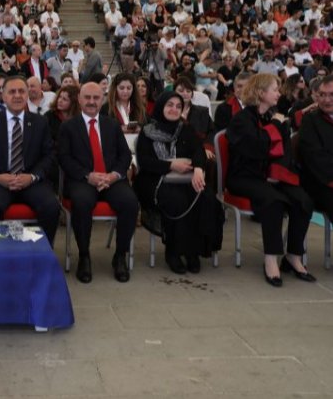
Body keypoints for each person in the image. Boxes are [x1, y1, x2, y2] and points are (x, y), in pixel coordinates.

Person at [226, 73, 315, 287]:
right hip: (243, 176)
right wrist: (275, 126)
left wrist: (278, 174)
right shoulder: (242, 119)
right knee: (273, 201)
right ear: (260, 93)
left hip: (269, 175)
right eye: (275, 89)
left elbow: (284, 152)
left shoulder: (273, 117)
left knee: (303, 200)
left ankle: (293, 256)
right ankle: (271, 258)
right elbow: (254, 148)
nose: (278, 93)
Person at [58, 82, 139, 283]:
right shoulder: (68, 126)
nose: (92, 102)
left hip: (111, 179)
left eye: (96, 98)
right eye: (88, 97)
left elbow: (124, 156)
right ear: (79, 99)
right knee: (82, 202)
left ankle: (120, 255)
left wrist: (113, 175)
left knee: (130, 203)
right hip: (83, 180)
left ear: (102, 99)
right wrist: (89, 175)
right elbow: (64, 158)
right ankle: (84, 256)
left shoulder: (111, 125)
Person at [135, 92, 223, 274]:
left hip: (185, 178)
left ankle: (194, 251)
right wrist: (170, 165)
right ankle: (173, 252)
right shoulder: (147, 131)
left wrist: (199, 168)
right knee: (177, 200)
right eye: (170, 105)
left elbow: (198, 151)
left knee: (207, 198)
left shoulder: (185, 129)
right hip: (154, 180)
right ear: (161, 106)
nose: (174, 109)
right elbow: (144, 162)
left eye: (178, 106)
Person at [0, 76, 60, 245]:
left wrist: (32, 177)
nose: (17, 95)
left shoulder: (40, 122)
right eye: (12, 92)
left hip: (31, 182)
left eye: (22, 91)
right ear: (3, 96)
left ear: (27, 95)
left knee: (51, 207)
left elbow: (49, 155)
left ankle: (43, 254)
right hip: (0, 182)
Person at [298, 75, 333, 241]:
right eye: (322, 95)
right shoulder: (310, 121)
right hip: (320, 182)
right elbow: (315, 158)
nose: (327, 100)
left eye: (332, 95)